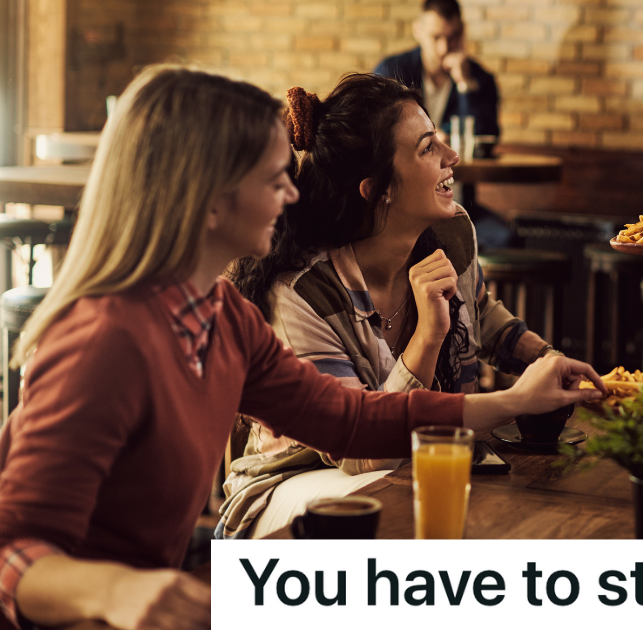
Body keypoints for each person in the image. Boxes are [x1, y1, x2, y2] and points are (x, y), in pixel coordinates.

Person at [0, 65, 604, 630]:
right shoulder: (102, 340)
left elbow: (349, 419)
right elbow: (13, 555)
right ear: (209, 200)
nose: (292, 198)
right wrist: (114, 591)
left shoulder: (223, 319)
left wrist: (513, 402)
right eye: (273, 180)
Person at [219, 73, 556, 538]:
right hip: (294, 485)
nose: (451, 157)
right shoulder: (302, 296)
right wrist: (428, 337)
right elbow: (364, 452)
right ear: (379, 188)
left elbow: (483, 315)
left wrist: (546, 359)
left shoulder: (451, 234)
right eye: (427, 148)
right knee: (400, 501)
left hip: (413, 463)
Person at [374, 0, 498, 141]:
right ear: (418, 30)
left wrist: (465, 83)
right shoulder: (391, 70)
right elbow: (377, 131)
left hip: (456, 163)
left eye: (453, 37)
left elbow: (486, 137)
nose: (444, 48)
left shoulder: (481, 79)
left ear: (463, 31)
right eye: (436, 37)